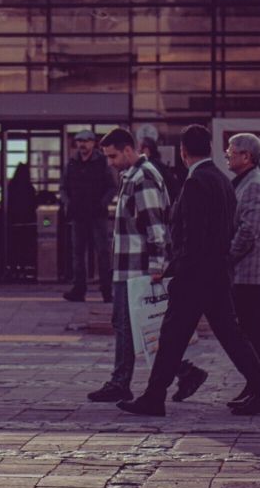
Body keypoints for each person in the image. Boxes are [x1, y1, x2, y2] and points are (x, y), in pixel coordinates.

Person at [118, 125, 260, 417]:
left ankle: (154, 397)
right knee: (227, 336)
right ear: (210, 150)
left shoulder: (196, 183)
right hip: (216, 273)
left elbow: (191, 235)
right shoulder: (222, 180)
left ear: (183, 153)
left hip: (195, 276)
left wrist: (177, 269)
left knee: (173, 336)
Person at [87, 129, 208, 404]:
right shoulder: (131, 177)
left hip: (138, 268)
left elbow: (156, 227)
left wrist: (156, 266)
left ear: (130, 150)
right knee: (133, 325)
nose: (110, 162)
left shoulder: (144, 178)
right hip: (127, 267)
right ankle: (179, 373)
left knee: (138, 326)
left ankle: (126, 381)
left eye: (113, 156)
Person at [225, 132, 260, 408]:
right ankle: (255, 384)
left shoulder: (254, 185)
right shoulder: (247, 182)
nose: (227, 155)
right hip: (245, 271)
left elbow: (248, 232)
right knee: (248, 331)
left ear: (246, 156)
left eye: (231, 151)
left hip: (249, 271)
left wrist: (227, 258)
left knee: (252, 332)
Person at [60, 130, 117, 303]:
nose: (82, 144)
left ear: (93, 143)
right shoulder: (71, 163)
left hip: (97, 215)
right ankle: (79, 290)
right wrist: (67, 203)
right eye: (79, 141)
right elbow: (63, 187)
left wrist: (103, 203)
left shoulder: (101, 163)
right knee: (78, 253)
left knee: (103, 252)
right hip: (78, 215)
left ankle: (107, 290)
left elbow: (112, 187)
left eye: (86, 141)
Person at [6, 163, 38, 279]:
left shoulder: (11, 186)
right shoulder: (29, 187)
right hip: (27, 222)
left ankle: (14, 268)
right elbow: (33, 204)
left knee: (14, 246)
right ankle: (24, 268)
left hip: (13, 221)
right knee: (25, 246)